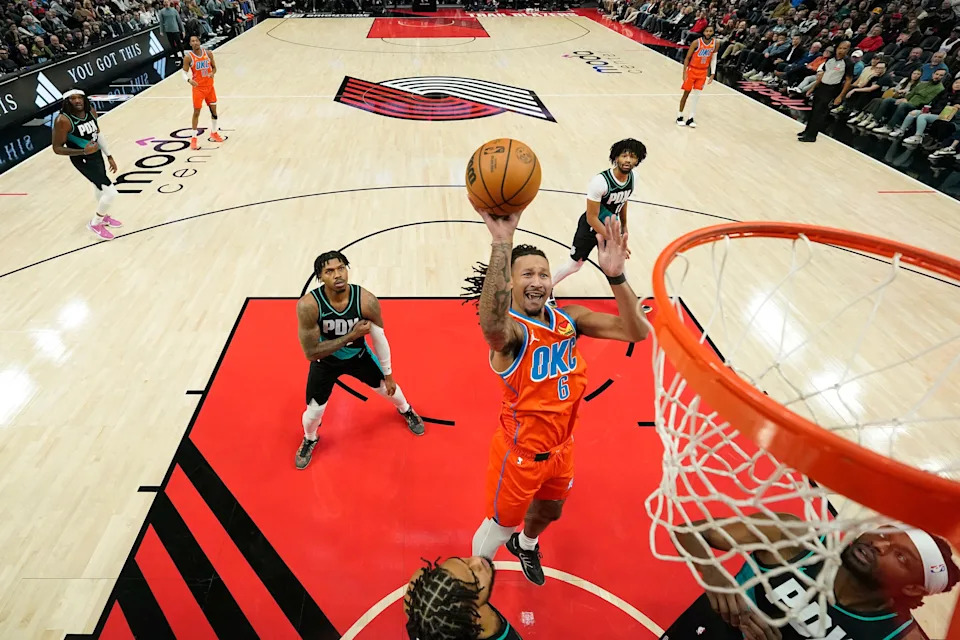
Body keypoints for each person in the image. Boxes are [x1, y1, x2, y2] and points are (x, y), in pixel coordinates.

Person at [467, 210, 649, 586]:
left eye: (543, 274)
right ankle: (474, 577)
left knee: (550, 511)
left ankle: (528, 544)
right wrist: (502, 243)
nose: (538, 282)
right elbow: (492, 325)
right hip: (519, 456)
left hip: (562, 448)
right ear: (510, 283)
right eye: (527, 275)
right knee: (498, 528)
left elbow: (635, 331)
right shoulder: (512, 335)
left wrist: (615, 275)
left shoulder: (570, 319)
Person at [661, 514, 959, 639]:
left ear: (912, 587)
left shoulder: (898, 637)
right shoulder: (795, 541)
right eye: (883, 534)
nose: (877, 545)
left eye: (900, 556)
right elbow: (688, 531)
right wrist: (714, 574)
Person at [294, 250, 425, 470]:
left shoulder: (365, 300)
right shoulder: (309, 306)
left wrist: (389, 375)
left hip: (359, 356)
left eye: (341, 268)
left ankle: (406, 410)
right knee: (313, 412)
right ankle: (310, 438)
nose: (337, 275)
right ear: (320, 277)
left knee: (389, 389)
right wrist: (351, 336)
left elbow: (379, 338)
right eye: (329, 271)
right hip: (324, 363)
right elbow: (311, 353)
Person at [551, 138, 646, 290]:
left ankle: (629, 301)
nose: (628, 160)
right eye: (624, 155)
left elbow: (623, 200)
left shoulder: (633, 178)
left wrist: (624, 226)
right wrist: (614, 239)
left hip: (611, 226)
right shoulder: (600, 182)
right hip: (591, 228)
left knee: (618, 265)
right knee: (574, 265)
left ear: (638, 160)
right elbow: (591, 217)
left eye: (633, 156)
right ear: (616, 158)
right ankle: (547, 288)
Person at [51, 89, 122, 240]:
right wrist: (83, 151)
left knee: (99, 186)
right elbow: (57, 148)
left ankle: (103, 218)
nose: (77, 101)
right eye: (72, 99)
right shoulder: (62, 120)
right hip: (81, 158)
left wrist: (108, 155)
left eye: (79, 98)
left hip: (95, 154)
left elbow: (98, 133)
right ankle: (95, 223)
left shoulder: (90, 111)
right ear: (67, 102)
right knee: (111, 192)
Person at [404, 556, 522, 640]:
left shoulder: (416, 593)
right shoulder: (496, 630)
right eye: (475, 579)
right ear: (475, 619)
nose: (477, 561)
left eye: (462, 561)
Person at [798, 40, 855, 143]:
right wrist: (813, 87)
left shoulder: (848, 63)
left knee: (820, 113)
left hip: (832, 89)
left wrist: (840, 96)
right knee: (813, 110)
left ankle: (812, 136)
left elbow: (848, 80)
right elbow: (822, 74)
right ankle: (807, 131)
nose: (841, 50)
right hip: (822, 86)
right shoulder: (830, 59)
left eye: (845, 48)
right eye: (840, 48)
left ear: (848, 50)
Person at [182, 34, 226, 150]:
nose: (195, 42)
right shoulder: (188, 57)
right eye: (193, 41)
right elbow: (183, 73)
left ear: (199, 42)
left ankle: (214, 132)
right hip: (198, 88)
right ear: (190, 44)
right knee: (196, 112)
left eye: (196, 40)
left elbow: (214, 68)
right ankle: (194, 139)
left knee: (214, 112)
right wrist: (189, 80)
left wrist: (213, 73)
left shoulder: (208, 53)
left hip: (210, 87)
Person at [676, 25, 717, 128]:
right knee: (686, 93)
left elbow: (713, 59)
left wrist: (712, 73)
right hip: (692, 70)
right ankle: (679, 116)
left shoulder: (715, 43)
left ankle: (691, 118)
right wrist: (684, 72)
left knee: (697, 96)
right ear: (703, 32)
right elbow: (687, 58)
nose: (708, 33)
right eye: (707, 31)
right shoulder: (696, 42)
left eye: (710, 31)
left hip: (703, 72)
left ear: (712, 32)